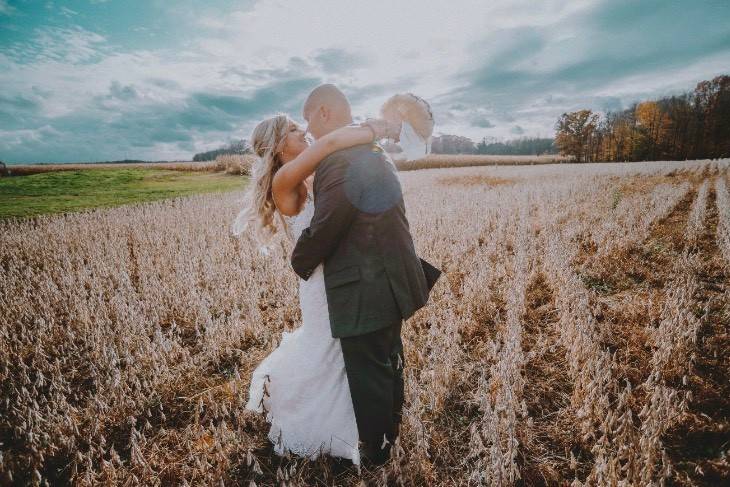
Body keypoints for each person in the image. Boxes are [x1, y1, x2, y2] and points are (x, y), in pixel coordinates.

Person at [235, 111, 400, 467]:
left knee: (343, 351)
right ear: (279, 145)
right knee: (328, 347)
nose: (304, 133)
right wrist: (375, 128)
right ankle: (321, 426)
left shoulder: (307, 173)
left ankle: (354, 425)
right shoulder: (284, 177)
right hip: (321, 281)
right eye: (295, 130)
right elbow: (329, 142)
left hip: (335, 273)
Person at [290, 84, 441, 467]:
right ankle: (391, 432)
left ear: (324, 112)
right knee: (388, 358)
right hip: (388, 277)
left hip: (367, 284)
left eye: (308, 117)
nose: (306, 128)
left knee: (369, 369)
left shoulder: (341, 159)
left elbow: (327, 226)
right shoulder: (368, 150)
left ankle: (377, 454)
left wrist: (299, 260)